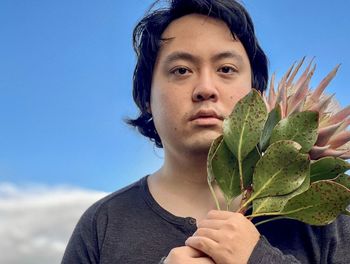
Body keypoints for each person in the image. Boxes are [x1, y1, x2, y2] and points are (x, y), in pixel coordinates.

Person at [62, 0, 350, 263]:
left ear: (256, 95)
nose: (206, 89)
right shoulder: (104, 224)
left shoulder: (325, 218)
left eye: (225, 69)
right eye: (181, 71)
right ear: (147, 98)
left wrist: (257, 258)